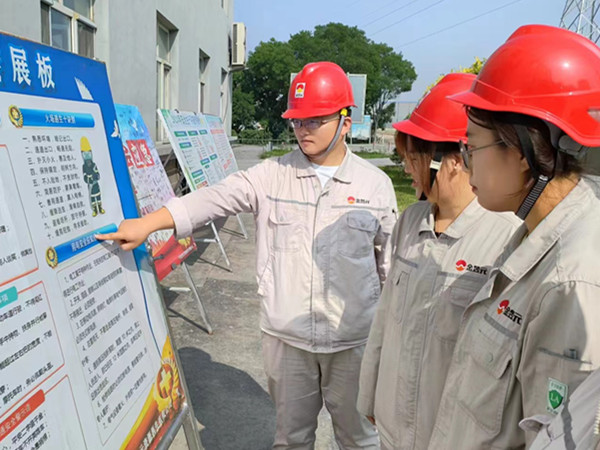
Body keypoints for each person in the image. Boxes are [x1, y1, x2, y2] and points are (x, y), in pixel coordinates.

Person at [97, 61, 397, 449]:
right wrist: (150, 223)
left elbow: (389, 268)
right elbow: (214, 198)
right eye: (297, 121)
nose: (303, 130)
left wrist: (387, 340)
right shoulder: (271, 176)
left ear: (345, 121)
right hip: (287, 341)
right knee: (291, 438)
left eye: (314, 120)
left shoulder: (374, 186)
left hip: (352, 342)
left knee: (359, 439)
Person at [426, 24, 600, 449]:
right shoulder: (536, 229)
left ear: (520, 151)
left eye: (471, 148)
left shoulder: (571, 282)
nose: (465, 164)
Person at [356, 73, 521, 450]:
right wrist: (369, 394)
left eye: (413, 159)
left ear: (454, 161)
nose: (407, 169)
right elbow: (386, 316)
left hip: (449, 434)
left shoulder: (505, 238)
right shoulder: (411, 221)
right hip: (394, 425)